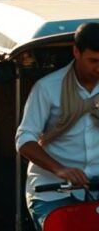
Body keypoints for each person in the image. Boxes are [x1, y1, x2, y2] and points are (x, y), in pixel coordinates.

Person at [15, 22, 99, 230]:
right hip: (51, 192)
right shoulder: (47, 88)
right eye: (93, 61)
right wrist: (61, 170)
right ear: (76, 52)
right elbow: (24, 140)